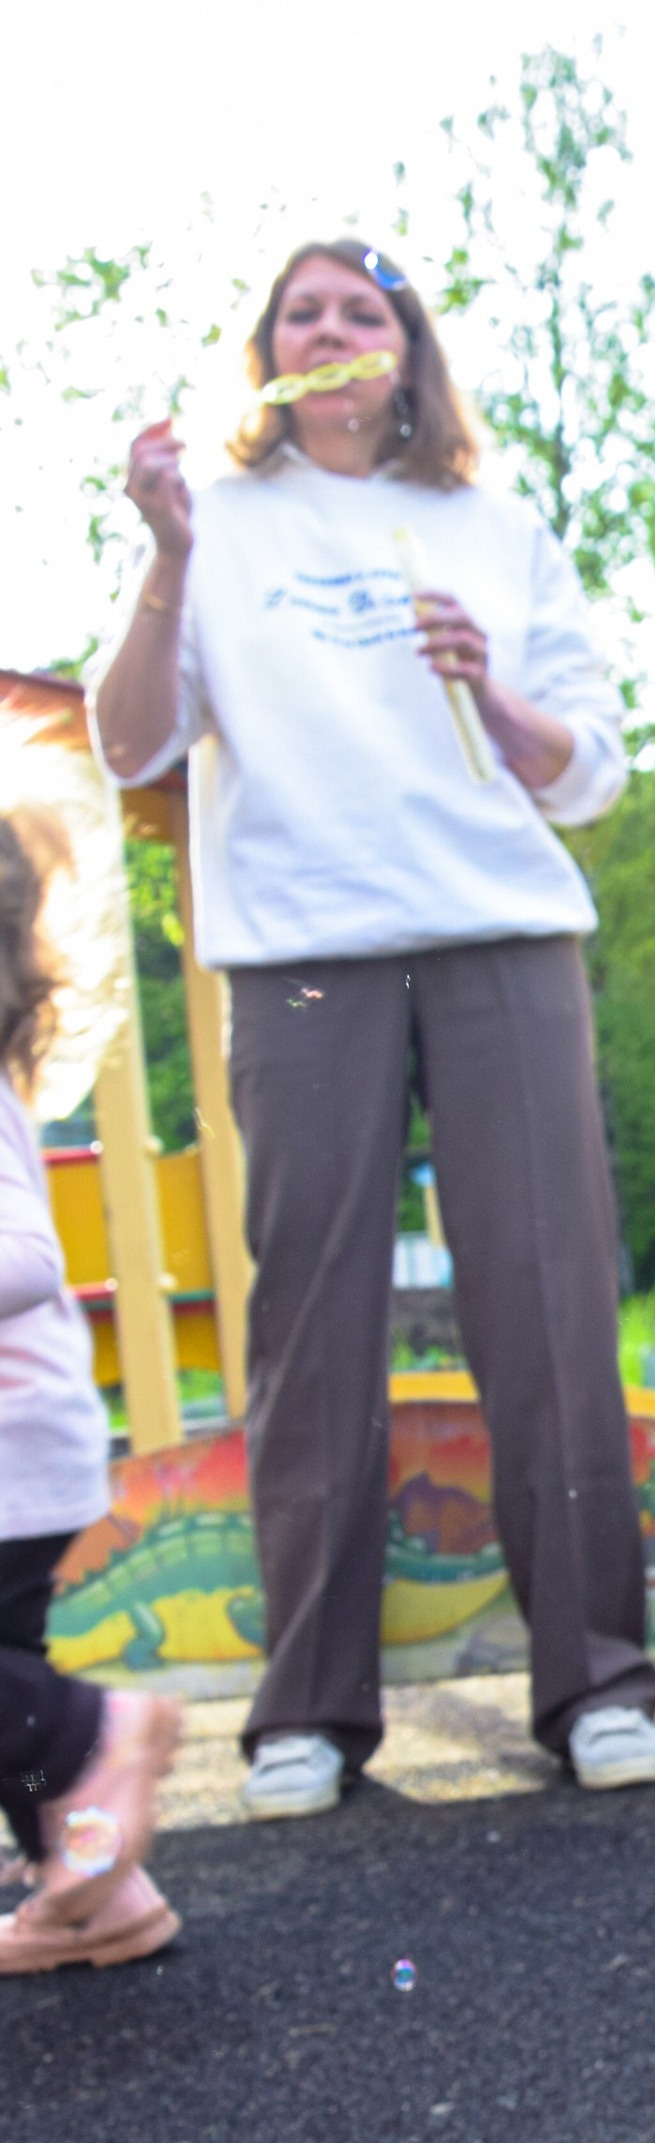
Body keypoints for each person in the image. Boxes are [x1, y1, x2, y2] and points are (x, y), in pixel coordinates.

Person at [90, 240, 655, 1817]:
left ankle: (597, 1678)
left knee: (550, 1313)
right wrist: (158, 550)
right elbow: (134, 741)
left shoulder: (494, 525)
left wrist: (493, 690)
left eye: (364, 314)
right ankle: (310, 1711)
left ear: (408, 357)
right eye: (303, 313)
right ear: (266, 351)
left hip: (501, 933)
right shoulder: (210, 524)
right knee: (311, 1329)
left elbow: (589, 772)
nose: (333, 334)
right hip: (301, 955)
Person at [0, 806, 183, 1970]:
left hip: (9, 1447)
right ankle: (98, 1898)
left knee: (31, 1710)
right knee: (6, 1688)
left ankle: (99, 1731)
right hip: (28, 1448)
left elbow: (25, 1258)